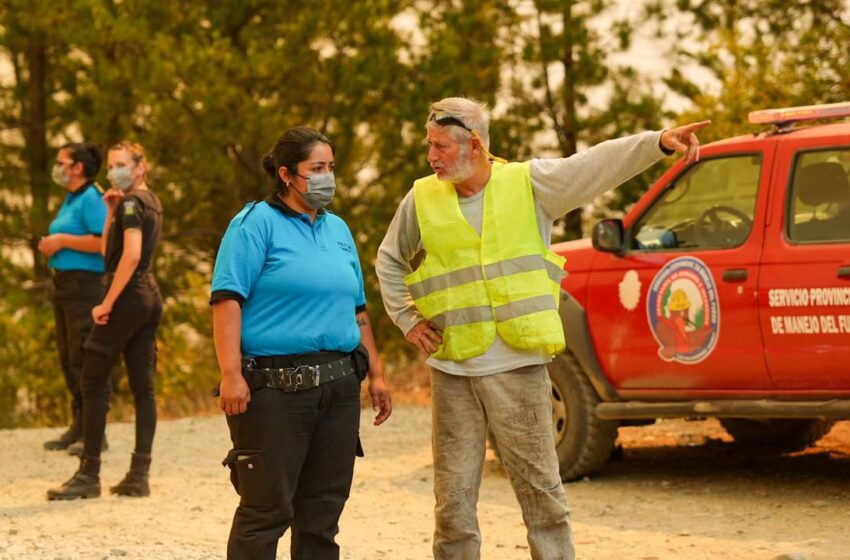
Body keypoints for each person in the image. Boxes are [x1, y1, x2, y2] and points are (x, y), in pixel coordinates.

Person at [375, 96, 709, 560]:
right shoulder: (422, 197)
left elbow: (594, 165)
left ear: (473, 145)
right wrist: (409, 320)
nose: (431, 157)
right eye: (429, 146)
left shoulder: (528, 185)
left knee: (542, 496)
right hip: (454, 372)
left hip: (520, 367)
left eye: (439, 147)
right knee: (451, 504)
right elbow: (389, 259)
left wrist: (656, 144)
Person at [211, 126, 392, 560]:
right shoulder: (254, 224)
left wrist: (378, 375)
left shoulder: (338, 230)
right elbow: (226, 301)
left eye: (331, 167)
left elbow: (358, 309)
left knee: (323, 514)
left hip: (340, 386)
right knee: (266, 512)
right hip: (274, 390)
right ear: (288, 174)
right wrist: (231, 374)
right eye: (317, 168)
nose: (327, 176)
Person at [47, 141, 164, 500]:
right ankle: (138, 474)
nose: (115, 171)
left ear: (140, 168)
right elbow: (105, 248)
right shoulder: (148, 202)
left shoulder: (132, 203)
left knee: (93, 379)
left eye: (122, 165)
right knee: (144, 388)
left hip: (126, 296)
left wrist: (106, 302)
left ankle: (89, 473)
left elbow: (128, 255)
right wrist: (110, 211)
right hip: (149, 296)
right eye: (112, 165)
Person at [40, 143, 108, 451]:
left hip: (84, 287)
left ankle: (95, 431)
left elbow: (104, 241)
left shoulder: (93, 197)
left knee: (83, 355)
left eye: (60, 162)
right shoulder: (72, 198)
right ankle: (79, 423)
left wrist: (61, 240)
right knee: (68, 357)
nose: (56, 167)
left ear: (77, 167)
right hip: (64, 286)